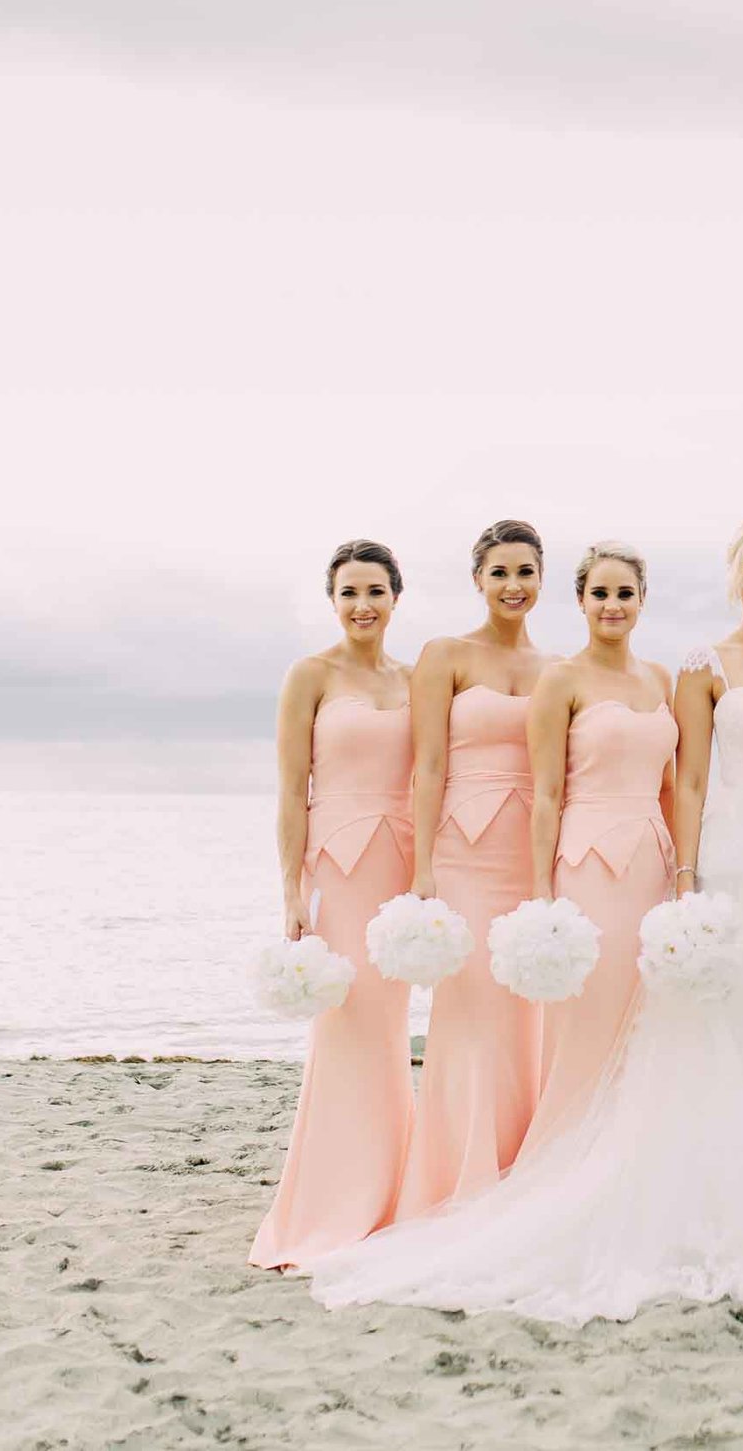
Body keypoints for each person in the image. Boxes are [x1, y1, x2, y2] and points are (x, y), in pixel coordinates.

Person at [310, 515, 743, 1322]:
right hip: (724, 857)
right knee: (716, 1021)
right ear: (734, 580)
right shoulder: (698, 667)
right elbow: (690, 781)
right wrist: (688, 871)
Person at [251, 540, 418, 1268]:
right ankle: (330, 1199)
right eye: (350, 592)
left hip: (401, 867)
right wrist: (290, 889)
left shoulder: (415, 679)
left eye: (376, 590)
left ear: (396, 596)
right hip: (338, 865)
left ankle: (391, 1192)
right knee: (343, 1026)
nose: (363, 605)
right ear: (332, 598)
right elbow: (292, 789)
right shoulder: (310, 675)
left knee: (389, 1028)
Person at [392, 520, 551, 1219]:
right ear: (478, 580)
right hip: (463, 850)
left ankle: (521, 1161)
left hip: (533, 851)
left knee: (527, 1009)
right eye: (500, 573)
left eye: (525, 572)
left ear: (543, 578)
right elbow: (425, 764)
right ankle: (461, 1173)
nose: (513, 586)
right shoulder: (445, 655)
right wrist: (422, 865)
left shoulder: (556, 668)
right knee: (471, 1007)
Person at [513, 542, 678, 1155]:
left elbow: (671, 787)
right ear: (581, 600)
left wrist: (684, 873)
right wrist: (541, 892)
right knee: (590, 1020)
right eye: (600, 593)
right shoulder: (561, 679)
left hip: (653, 865)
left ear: (641, 601)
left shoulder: (660, 679)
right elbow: (546, 793)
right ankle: (563, 1155)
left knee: (646, 1021)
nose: (613, 605)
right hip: (587, 867)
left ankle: (630, 1159)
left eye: (625, 593)